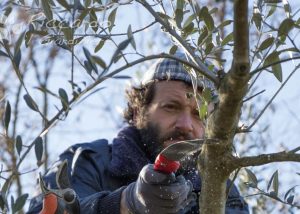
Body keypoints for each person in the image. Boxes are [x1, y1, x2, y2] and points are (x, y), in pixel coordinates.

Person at [27, 53, 249, 214]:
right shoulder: (88, 160)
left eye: (198, 114)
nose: (186, 125)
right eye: (170, 107)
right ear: (137, 112)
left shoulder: (221, 188)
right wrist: (127, 202)